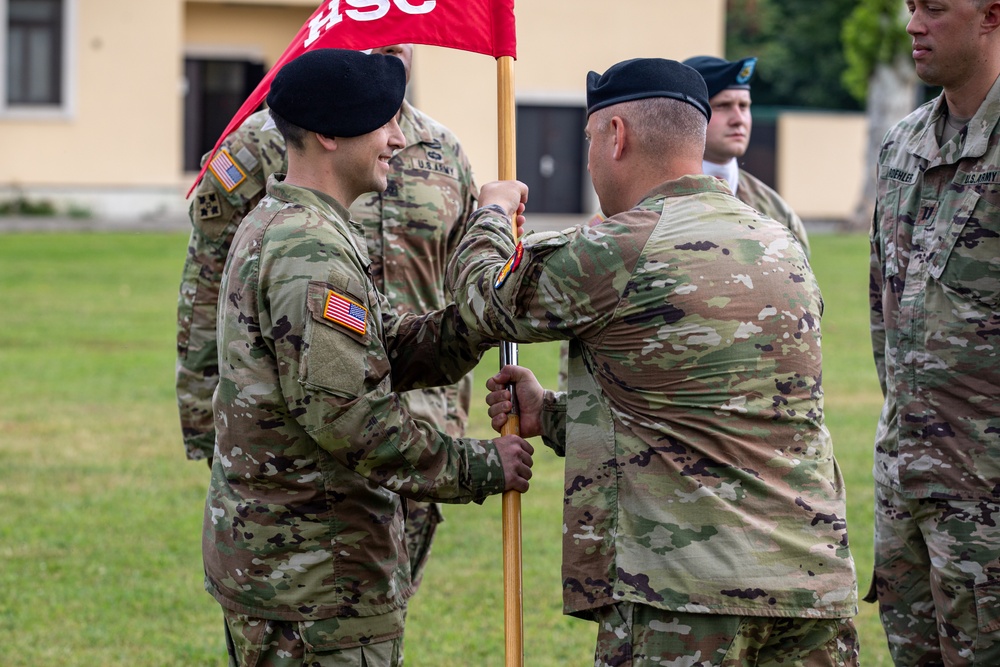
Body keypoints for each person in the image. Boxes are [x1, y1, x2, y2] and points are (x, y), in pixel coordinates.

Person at [449, 58, 859, 665]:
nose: (589, 161)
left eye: (589, 141)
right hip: (809, 585)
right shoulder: (781, 243)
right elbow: (706, 404)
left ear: (617, 136)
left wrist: (491, 213)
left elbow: (484, 299)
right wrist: (550, 414)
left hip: (688, 596)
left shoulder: (624, 245)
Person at [202, 48, 534, 667]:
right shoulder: (311, 255)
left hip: (300, 568)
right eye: (383, 122)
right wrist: (484, 467)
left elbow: (387, 348)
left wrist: (481, 298)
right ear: (330, 134)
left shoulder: (303, 227)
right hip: (316, 579)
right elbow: (355, 423)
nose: (399, 138)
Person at [176, 43, 476, 592]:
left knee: (377, 608)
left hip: (421, 420)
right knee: (337, 614)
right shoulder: (275, 156)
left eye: (401, 39)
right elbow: (208, 278)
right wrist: (203, 416)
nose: (394, 47)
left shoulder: (444, 150)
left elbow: (458, 281)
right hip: (309, 448)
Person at [867, 1, 1000, 664]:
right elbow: (880, 310)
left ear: (992, 16)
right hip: (906, 494)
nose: (914, 24)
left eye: (936, 8)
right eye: (911, 6)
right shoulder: (902, 146)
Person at [683, 55, 810, 256]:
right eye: (722, 106)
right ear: (689, 114)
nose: (739, 119)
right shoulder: (649, 201)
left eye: (744, 106)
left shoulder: (776, 212)